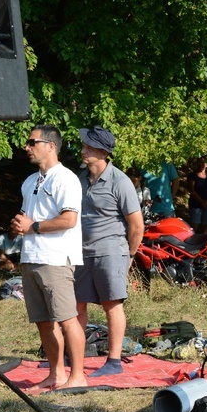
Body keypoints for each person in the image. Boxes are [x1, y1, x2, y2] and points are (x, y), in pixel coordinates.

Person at [10, 124, 87, 390]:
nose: (27, 147)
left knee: (67, 318)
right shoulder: (30, 181)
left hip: (55, 259)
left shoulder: (65, 178)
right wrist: (20, 225)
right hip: (30, 257)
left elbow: (69, 219)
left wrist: (33, 226)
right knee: (43, 321)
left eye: (32, 142)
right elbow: (27, 218)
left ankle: (78, 376)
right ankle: (56, 375)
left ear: (50, 146)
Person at [75, 126, 145, 377]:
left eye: (89, 147)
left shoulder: (120, 181)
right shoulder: (79, 178)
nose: (83, 150)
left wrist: (129, 255)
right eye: (84, 145)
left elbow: (137, 225)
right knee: (76, 306)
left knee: (111, 304)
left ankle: (113, 361)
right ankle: (75, 356)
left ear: (103, 152)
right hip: (81, 252)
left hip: (111, 251)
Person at [187, 157, 207, 234]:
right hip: (195, 204)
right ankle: (190, 242)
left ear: (206, 165)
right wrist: (202, 202)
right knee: (194, 225)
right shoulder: (192, 176)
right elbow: (192, 191)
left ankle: (204, 244)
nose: (201, 165)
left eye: (203, 163)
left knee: (205, 225)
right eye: (199, 163)